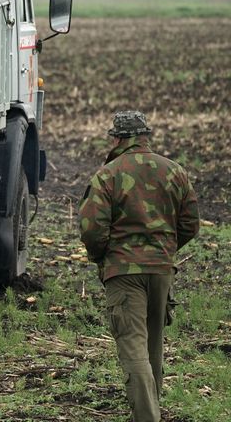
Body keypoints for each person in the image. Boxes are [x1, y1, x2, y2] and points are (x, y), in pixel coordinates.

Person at [78, 111, 199, 422]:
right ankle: (148, 413)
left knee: (133, 348)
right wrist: (164, 250)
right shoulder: (175, 171)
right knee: (153, 346)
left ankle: (147, 418)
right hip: (161, 272)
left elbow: (92, 228)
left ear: (118, 139)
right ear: (146, 136)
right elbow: (190, 224)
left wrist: (103, 256)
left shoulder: (108, 175)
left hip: (123, 273)